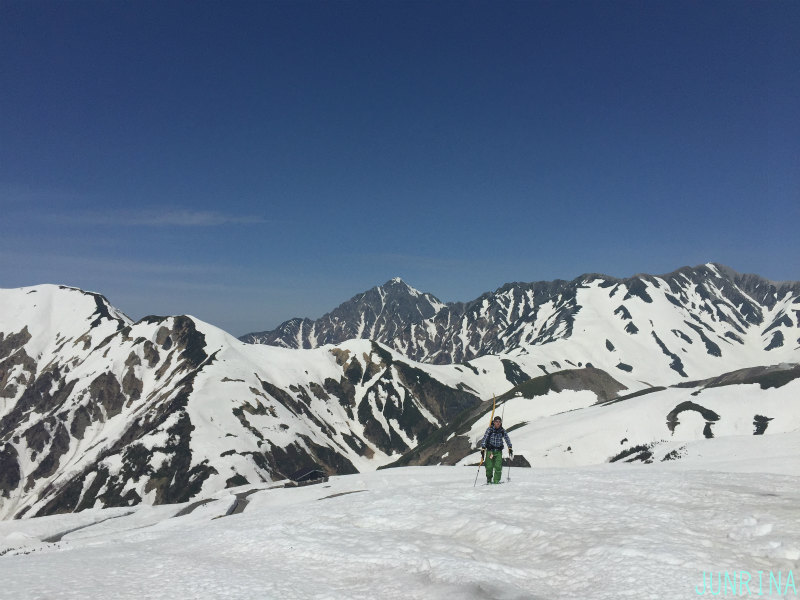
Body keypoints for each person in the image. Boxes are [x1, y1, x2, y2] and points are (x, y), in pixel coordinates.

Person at [480, 416, 513, 484]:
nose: (498, 423)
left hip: (498, 451)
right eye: (496, 422)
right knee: (489, 467)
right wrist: (483, 448)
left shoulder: (502, 431)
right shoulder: (490, 429)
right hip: (490, 451)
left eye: (499, 422)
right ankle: (489, 480)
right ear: (494, 422)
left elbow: (507, 439)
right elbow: (485, 438)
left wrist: (510, 447)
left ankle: (496, 481)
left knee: (498, 467)